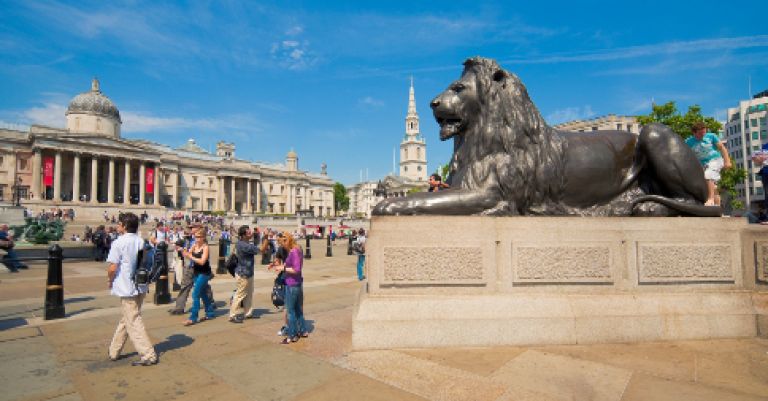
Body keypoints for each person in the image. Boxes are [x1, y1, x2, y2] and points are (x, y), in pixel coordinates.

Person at [106, 212, 158, 366]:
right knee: (127, 319)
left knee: (133, 320)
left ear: (125, 226)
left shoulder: (119, 243)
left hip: (126, 286)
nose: (117, 226)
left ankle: (148, 354)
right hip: (141, 285)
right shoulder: (141, 241)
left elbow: (113, 267)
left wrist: (110, 280)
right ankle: (114, 351)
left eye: (119, 223)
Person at [168, 224, 216, 315]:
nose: (191, 229)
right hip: (189, 267)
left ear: (199, 229)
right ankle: (179, 307)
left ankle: (210, 303)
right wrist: (182, 250)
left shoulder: (202, 241)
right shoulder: (188, 239)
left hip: (199, 268)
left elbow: (202, 257)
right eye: (190, 228)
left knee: (204, 287)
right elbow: (187, 252)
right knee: (185, 286)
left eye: (193, 228)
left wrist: (189, 254)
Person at [271, 232, 307, 344]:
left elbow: (296, 270)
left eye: (283, 242)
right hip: (296, 283)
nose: (282, 245)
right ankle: (302, 330)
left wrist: (283, 268)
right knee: (297, 309)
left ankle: (292, 335)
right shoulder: (297, 249)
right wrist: (278, 266)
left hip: (292, 284)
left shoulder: (294, 251)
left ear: (289, 241)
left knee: (290, 311)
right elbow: (292, 265)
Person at [685, 121, 732, 206]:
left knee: (708, 174)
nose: (703, 135)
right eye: (700, 133)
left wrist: (727, 161)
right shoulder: (689, 141)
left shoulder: (711, 136)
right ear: (694, 133)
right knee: (712, 187)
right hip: (703, 165)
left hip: (716, 160)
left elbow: (722, 148)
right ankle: (718, 209)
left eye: (704, 132)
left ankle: (710, 199)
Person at [179, 226, 215, 325]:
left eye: (199, 237)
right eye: (196, 236)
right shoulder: (194, 245)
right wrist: (183, 251)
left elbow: (202, 261)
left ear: (204, 237)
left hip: (204, 273)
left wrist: (190, 256)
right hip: (196, 273)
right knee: (203, 293)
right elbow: (187, 254)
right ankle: (210, 313)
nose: (197, 239)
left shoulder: (206, 247)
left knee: (195, 294)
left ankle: (193, 317)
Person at [229, 225, 261, 323]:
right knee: (240, 294)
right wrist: (267, 238)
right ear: (243, 235)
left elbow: (255, 246)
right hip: (243, 273)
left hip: (248, 272)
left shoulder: (245, 243)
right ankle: (232, 315)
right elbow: (260, 250)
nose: (250, 233)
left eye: (250, 231)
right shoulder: (243, 245)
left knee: (249, 294)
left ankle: (248, 313)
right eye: (248, 232)